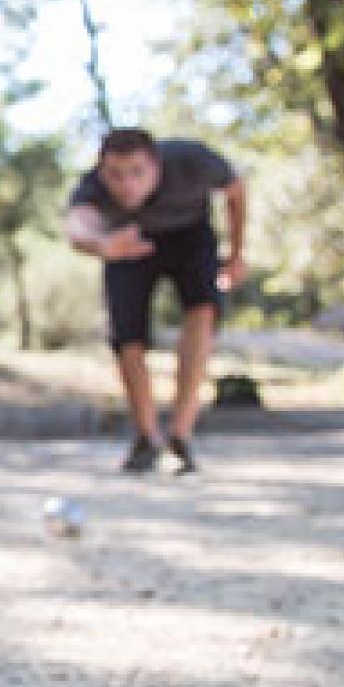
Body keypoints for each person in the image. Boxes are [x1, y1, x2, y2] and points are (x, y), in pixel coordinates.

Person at [64, 128, 247, 475]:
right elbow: (76, 226)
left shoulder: (192, 161)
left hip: (190, 237)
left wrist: (236, 254)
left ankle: (181, 435)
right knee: (127, 338)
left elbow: (236, 190)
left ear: (156, 166)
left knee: (203, 312)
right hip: (126, 243)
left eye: (137, 172)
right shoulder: (94, 186)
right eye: (115, 174)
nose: (126, 184)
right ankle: (147, 437)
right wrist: (102, 245)